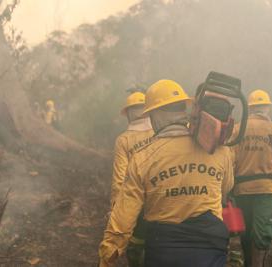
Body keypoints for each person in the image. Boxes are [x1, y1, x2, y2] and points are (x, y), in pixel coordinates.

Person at [99, 79, 234, 267]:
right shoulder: (219, 151)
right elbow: (225, 189)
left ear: (155, 115)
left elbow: (123, 218)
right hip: (210, 247)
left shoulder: (142, 158)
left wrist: (108, 254)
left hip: (164, 248)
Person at [230, 89, 272, 267]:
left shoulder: (238, 129)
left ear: (250, 109)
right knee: (261, 233)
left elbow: (229, 160)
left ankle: (248, 263)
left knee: (245, 231)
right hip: (265, 191)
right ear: (267, 108)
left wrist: (225, 187)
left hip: (241, 190)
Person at [111, 91, 154, 267]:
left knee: (137, 240)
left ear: (128, 114)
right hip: (162, 195)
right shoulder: (161, 131)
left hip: (136, 198)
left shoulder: (124, 140)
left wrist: (116, 207)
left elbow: (119, 177)